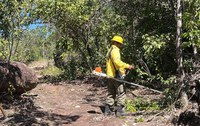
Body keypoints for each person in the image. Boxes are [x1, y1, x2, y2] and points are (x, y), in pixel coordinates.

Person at [104, 35, 134, 117]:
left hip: (110, 75)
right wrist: (128, 66)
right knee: (121, 93)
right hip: (116, 76)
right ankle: (120, 111)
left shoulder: (110, 50)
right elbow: (117, 62)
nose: (121, 45)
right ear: (117, 43)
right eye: (120, 44)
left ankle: (107, 110)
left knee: (111, 92)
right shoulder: (115, 51)